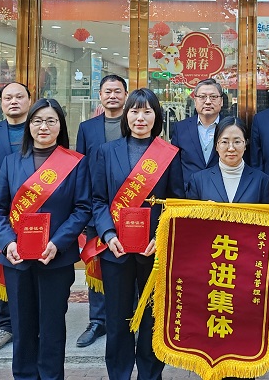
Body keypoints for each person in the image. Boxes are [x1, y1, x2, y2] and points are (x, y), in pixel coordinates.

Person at [0, 98, 91, 379]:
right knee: (22, 327)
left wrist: (58, 243)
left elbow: (82, 209)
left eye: (50, 121)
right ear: (29, 125)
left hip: (55, 259)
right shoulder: (11, 162)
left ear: (60, 126)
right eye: (37, 121)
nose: (43, 127)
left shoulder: (75, 163)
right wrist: (8, 242)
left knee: (52, 327)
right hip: (17, 259)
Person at [91, 88, 180, 380]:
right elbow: (98, 200)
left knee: (152, 318)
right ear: (126, 115)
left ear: (157, 117)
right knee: (118, 318)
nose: (140, 118)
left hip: (154, 251)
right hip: (115, 249)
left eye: (147, 112)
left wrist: (161, 237)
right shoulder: (106, 151)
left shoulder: (169, 154)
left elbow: (175, 202)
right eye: (134, 111)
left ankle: (150, 375)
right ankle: (118, 373)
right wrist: (107, 234)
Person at [74, 73, 128, 347]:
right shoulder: (87, 128)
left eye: (118, 91)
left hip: (130, 209)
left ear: (126, 95)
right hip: (98, 207)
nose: (112, 96)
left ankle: (129, 318)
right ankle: (98, 320)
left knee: (129, 266)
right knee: (96, 267)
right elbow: (81, 168)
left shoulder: (135, 123)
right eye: (108, 91)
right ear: (100, 96)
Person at [0, 81, 32, 352]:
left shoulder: (39, 129)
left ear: (29, 100)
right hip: (1, 215)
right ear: (1, 103)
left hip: (36, 214)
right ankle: (6, 324)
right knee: (4, 267)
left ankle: (32, 321)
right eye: (8, 97)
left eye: (19, 97)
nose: (14, 101)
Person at [186, 116, 269, 204]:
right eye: (224, 142)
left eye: (237, 142)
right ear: (216, 146)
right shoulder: (198, 180)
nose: (231, 148)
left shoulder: (261, 180)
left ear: (245, 144)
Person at [171, 78, 224, 189]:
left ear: (221, 101)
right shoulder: (180, 128)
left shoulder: (231, 128)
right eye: (202, 97)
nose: (208, 101)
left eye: (213, 97)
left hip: (223, 193)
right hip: (189, 193)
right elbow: (175, 168)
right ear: (195, 101)